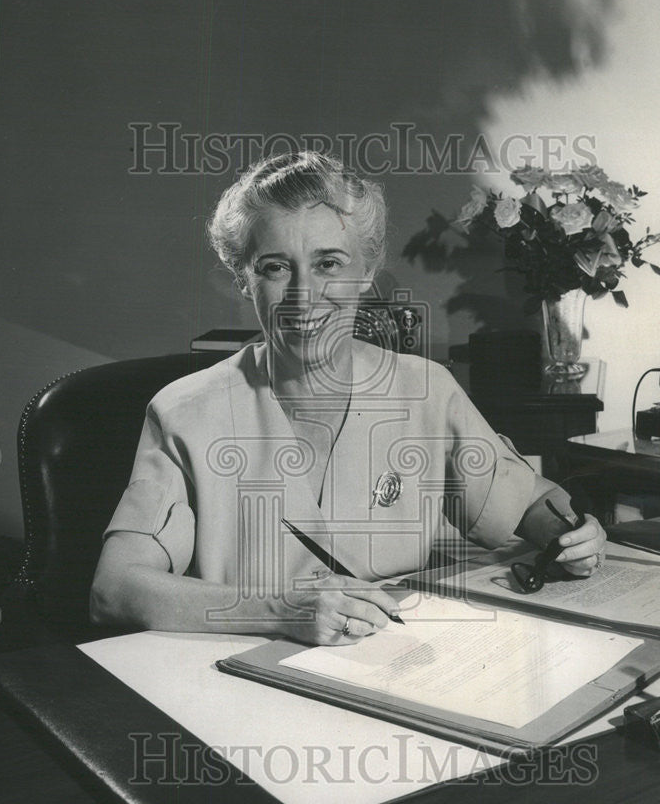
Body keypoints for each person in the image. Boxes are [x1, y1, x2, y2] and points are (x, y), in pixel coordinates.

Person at [91, 151, 606, 645]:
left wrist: (570, 535)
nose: (303, 295)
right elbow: (115, 590)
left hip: (399, 662)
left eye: (329, 263)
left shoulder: (424, 389)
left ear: (366, 272)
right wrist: (281, 612)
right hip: (240, 671)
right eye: (275, 267)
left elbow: (530, 499)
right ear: (244, 280)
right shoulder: (185, 412)